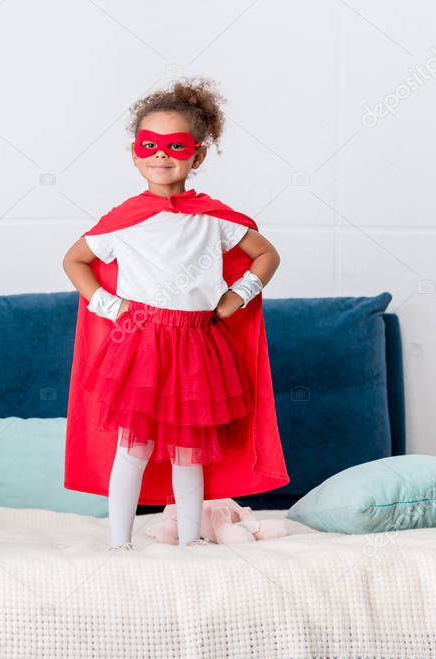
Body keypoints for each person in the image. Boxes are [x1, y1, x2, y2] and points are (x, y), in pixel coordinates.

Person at [61, 77, 289, 549]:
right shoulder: (123, 220)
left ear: (197, 156)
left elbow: (267, 255)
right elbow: (75, 260)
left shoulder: (214, 218)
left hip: (195, 346)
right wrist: (111, 305)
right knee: (134, 448)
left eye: (175, 145)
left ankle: (189, 545)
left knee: (190, 455)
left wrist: (237, 295)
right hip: (139, 346)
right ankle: (118, 544)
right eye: (150, 144)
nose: (161, 155)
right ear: (134, 152)